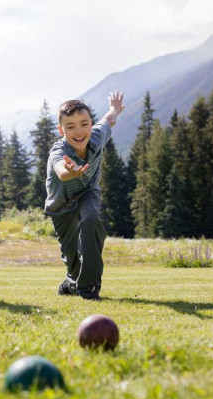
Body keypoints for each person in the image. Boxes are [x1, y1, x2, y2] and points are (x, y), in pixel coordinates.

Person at [45, 90, 125, 300]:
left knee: (90, 221)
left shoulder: (97, 136)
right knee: (71, 255)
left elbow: (109, 120)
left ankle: (88, 289)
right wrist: (68, 172)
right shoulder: (59, 151)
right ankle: (72, 281)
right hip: (61, 205)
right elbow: (60, 170)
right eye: (70, 127)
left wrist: (115, 108)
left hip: (88, 193)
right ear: (61, 130)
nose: (79, 131)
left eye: (84, 124)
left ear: (91, 124)